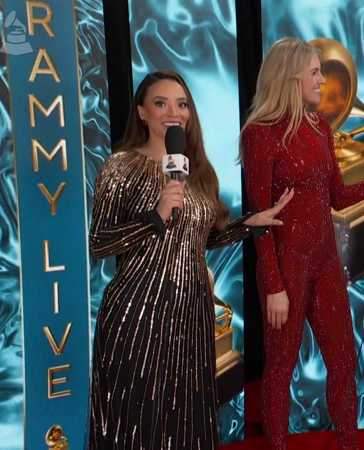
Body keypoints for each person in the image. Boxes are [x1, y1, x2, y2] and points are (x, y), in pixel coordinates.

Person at [87, 70, 292, 450]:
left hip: (191, 317)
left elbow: (203, 239)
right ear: (142, 113)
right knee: (137, 424)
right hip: (136, 318)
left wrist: (250, 224)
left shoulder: (196, 172)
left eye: (181, 104)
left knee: (185, 422)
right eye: (161, 103)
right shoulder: (121, 167)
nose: (173, 112)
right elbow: (100, 243)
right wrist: (154, 217)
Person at [239, 37, 364, 450]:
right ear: (290, 76)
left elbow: (337, 196)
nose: (322, 80)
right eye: (315, 72)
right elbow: (259, 221)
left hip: (325, 264)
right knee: (281, 367)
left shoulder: (320, 126)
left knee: (344, 361)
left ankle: (349, 445)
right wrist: (275, 285)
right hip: (284, 268)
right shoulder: (261, 135)